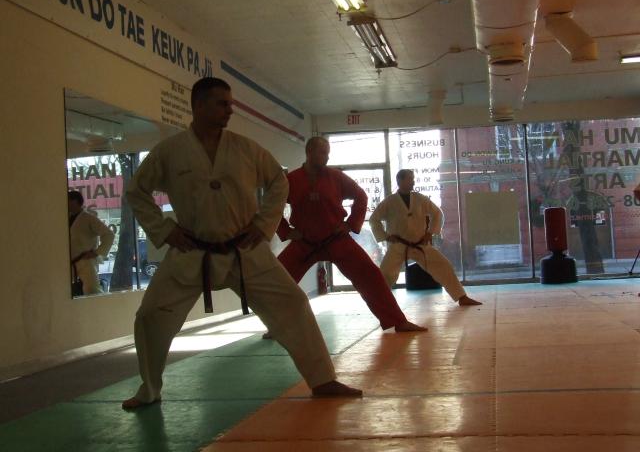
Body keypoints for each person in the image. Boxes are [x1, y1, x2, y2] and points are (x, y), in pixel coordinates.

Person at [121, 78, 360, 410]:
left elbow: (278, 181)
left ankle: (323, 379)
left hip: (244, 250)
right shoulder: (170, 152)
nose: (230, 110)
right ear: (199, 105)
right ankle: (149, 389)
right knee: (150, 316)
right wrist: (163, 229)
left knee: (293, 303)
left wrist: (263, 224)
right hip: (191, 252)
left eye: (230, 103)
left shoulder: (246, 149)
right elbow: (136, 191)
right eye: (222, 103)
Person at [275, 137, 426, 333]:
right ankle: (275, 324)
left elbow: (361, 196)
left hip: (336, 240)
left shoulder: (335, 177)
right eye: (323, 152)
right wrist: (286, 231)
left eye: (328, 153)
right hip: (304, 242)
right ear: (309, 152)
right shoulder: (292, 180)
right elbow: (272, 205)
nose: (327, 157)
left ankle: (398, 321)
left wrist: (350, 224)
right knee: (277, 279)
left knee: (371, 275)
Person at [370, 169, 482, 306]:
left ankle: (461, 297)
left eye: (413, 179)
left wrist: (430, 233)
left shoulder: (420, 198)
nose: (413, 182)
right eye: (410, 179)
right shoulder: (389, 202)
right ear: (400, 181)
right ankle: (379, 302)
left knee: (443, 266)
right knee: (385, 273)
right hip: (399, 245)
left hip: (420, 244)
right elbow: (374, 219)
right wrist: (386, 236)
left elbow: (437, 214)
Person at [68, 190, 114, 295]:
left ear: (75, 201)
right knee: (68, 293)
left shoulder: (88, 218)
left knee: (92, 290)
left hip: (86, 260)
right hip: (70, 262)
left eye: (69, 200)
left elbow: (109, 234)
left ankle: (98, 306)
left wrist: (97, 252)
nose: (67, 204)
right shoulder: (66, 218)